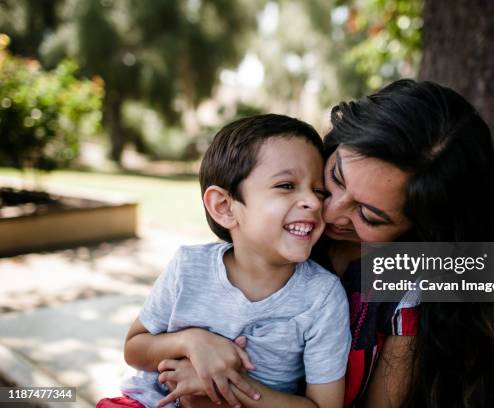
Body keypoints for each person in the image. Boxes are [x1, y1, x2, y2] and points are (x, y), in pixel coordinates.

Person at [105, 79, 494, 408]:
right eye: (335, 178)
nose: (326, 212)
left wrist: (226, 387)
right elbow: (145, 341)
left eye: (370, 216)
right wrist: (191, 344)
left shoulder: (399, 293)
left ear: (422, 232)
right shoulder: (270, 231)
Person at [98, 114, 351, 408]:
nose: (314, 201)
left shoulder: (321, 297)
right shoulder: (188, 267)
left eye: (319, 190)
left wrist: (222, 381)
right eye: (286, 185)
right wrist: (191, 342)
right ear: (224, 207)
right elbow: (134, 349)